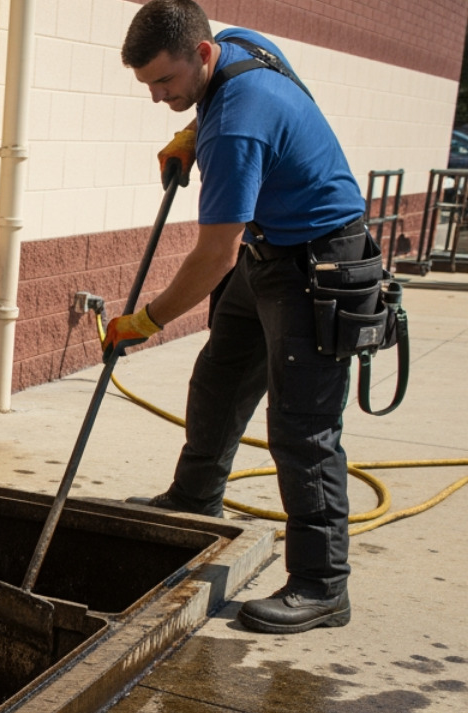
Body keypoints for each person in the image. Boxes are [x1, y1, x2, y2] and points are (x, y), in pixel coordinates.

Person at [104, 0, 369, 634]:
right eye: (147, 85)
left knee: (302, 430)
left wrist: (145, 320)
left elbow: (212, 258)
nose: (158, 96)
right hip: (269, 251)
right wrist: (189, 132)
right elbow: (234, 98)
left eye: (165, 82)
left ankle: (322, 585)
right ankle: (196, 498)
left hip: (319, 265)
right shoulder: (237, 44)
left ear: (199, 54)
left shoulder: (236, 132)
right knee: (220, 374)